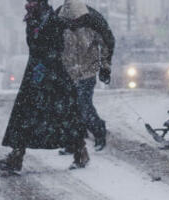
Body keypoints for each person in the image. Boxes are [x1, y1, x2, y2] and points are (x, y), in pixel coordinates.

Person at [0, 0, 89, 174]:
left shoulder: (53, 20)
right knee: (24, 116)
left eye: (33, 1)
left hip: (53, 76)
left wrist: (48, 64)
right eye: (28, 1)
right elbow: (33, 46)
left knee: (63, 115)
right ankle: (16, 157)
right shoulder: (33, 20)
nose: (28, 4)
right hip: (34, 75)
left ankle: (80, 151)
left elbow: (59, 46)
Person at [55, 0, 115, 152]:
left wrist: (105, 68)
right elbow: (51, 45)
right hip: (66, 71)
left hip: (87, 70)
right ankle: (73, 142)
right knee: (67, 108)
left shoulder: (94, 21)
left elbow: (107, 44)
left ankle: (99, 132)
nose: (72, 25)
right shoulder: (57, 20)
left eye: (75, 22)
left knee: (83, 105)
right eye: (68, 22)